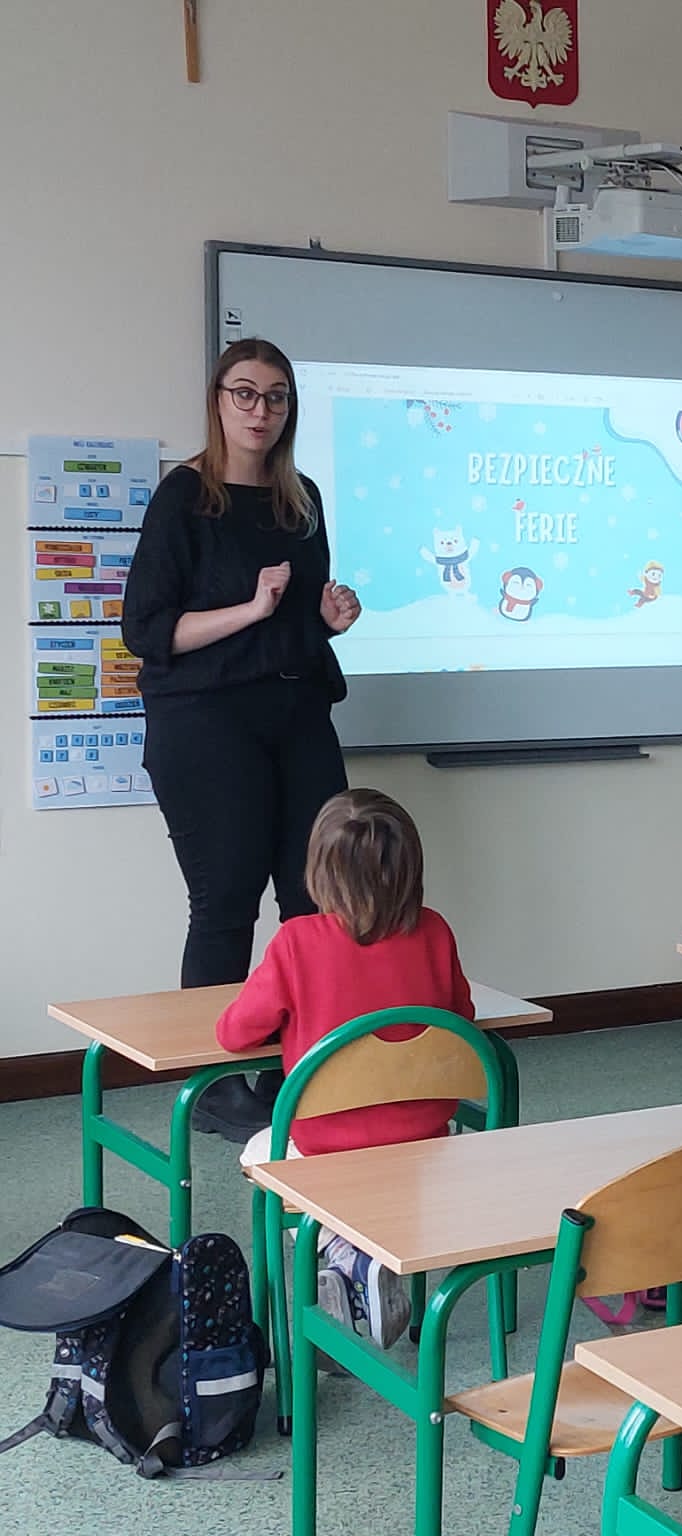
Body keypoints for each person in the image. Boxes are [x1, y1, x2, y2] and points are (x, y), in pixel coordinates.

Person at [123, 339, 362, 1140]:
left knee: (316, 900)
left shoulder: (303, 499)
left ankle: (296, 1069)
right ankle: (214, 1086)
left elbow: (297, 626)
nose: (262, 411)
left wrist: (326, 621)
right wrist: (251, 611)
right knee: (225, 903)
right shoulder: (185, 497)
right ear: (218, 400)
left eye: (277, 396)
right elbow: (147, 632)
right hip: (204, 721)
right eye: (246, 393)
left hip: (296, 713)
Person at [217, 789, 472, 1348]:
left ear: (318, 870)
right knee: (375, 1157)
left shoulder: (296, 942)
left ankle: (345, 1252)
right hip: (424, 1137)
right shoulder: (434, 931)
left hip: (327, 1145)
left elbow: (235, 1033)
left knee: (259, 1153)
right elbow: (462, 1021)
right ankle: (367, 1251)